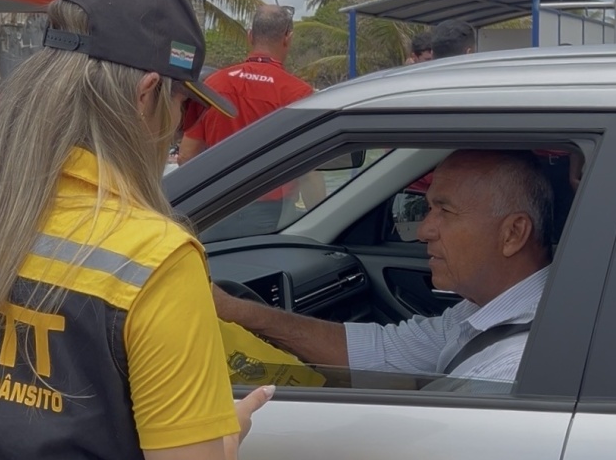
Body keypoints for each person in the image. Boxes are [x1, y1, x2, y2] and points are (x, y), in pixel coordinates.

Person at [0, 0, 272, 460]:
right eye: (184, 108)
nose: (178, 128)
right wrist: (224, 452)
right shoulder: (153, 260)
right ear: (148, 94)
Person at [213, 150, 554, 385]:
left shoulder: (511, 364)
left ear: (513, 233)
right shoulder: (485, 311)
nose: (423, 231)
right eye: (427, 208)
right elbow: (383, 351)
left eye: (444, 212)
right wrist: (238, 311)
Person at [178, 4, 325, 238]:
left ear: (249, 36)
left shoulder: (214, 85)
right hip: (272, 215)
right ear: (288, 38)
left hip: (214, 209)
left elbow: (186, 155)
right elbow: (308, 172)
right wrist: (324, 226)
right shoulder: (298, 93)